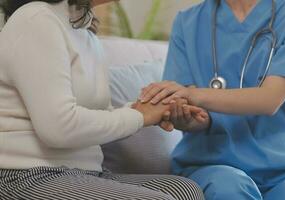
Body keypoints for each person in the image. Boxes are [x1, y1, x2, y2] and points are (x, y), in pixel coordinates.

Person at [0, 0, 205, 199]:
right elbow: (58, 128)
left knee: (186, 191)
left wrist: (151, 109)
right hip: (23, 174)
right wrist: (139, 116)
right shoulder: (36, 19)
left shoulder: (86, 35)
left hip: (84, 172)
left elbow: (97, 119)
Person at [139, 0, 285, 199]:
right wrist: (188, 118)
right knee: (227, 188)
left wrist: (193, 95)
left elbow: (270, 99)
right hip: (212, 163)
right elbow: (193, 113)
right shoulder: (188, 22)